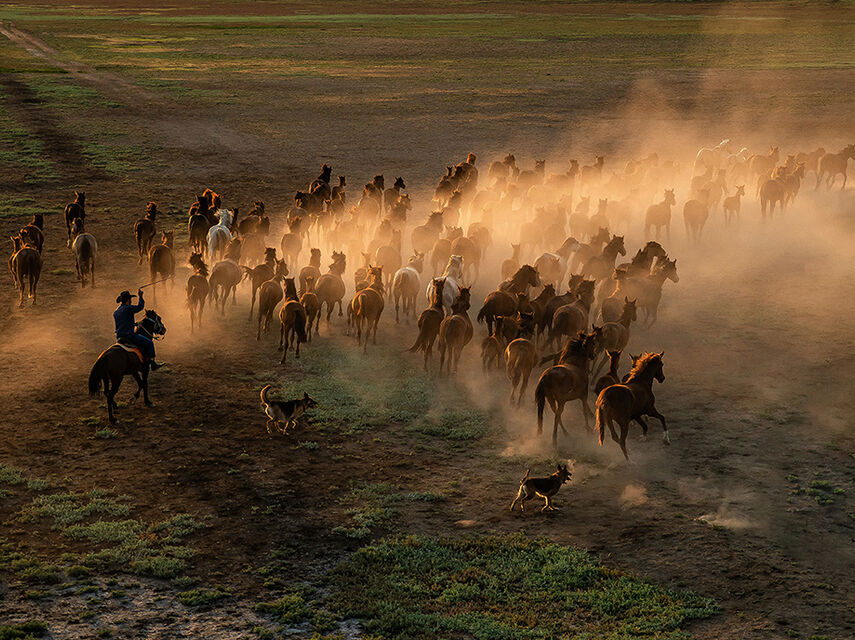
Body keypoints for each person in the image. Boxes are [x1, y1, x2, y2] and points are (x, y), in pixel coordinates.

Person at [114, 289, 164, 370]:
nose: (131, 301)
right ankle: (153, 363)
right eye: (130, 299)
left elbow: (122, 323)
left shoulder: (116, 312)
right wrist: (141, 296)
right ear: (128, 300)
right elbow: (140, 307)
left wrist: (134, 324)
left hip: (119, 337)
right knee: (149, 343)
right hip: (129, 336)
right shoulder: (128, 308)